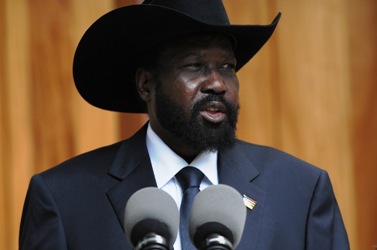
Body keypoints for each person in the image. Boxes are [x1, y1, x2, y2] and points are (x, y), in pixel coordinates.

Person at [19, 0, 350, 249]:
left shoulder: (300, 191)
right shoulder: (64, 199)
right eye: (195, 66)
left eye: (227, 66)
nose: (218, 84)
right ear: (146, 85)